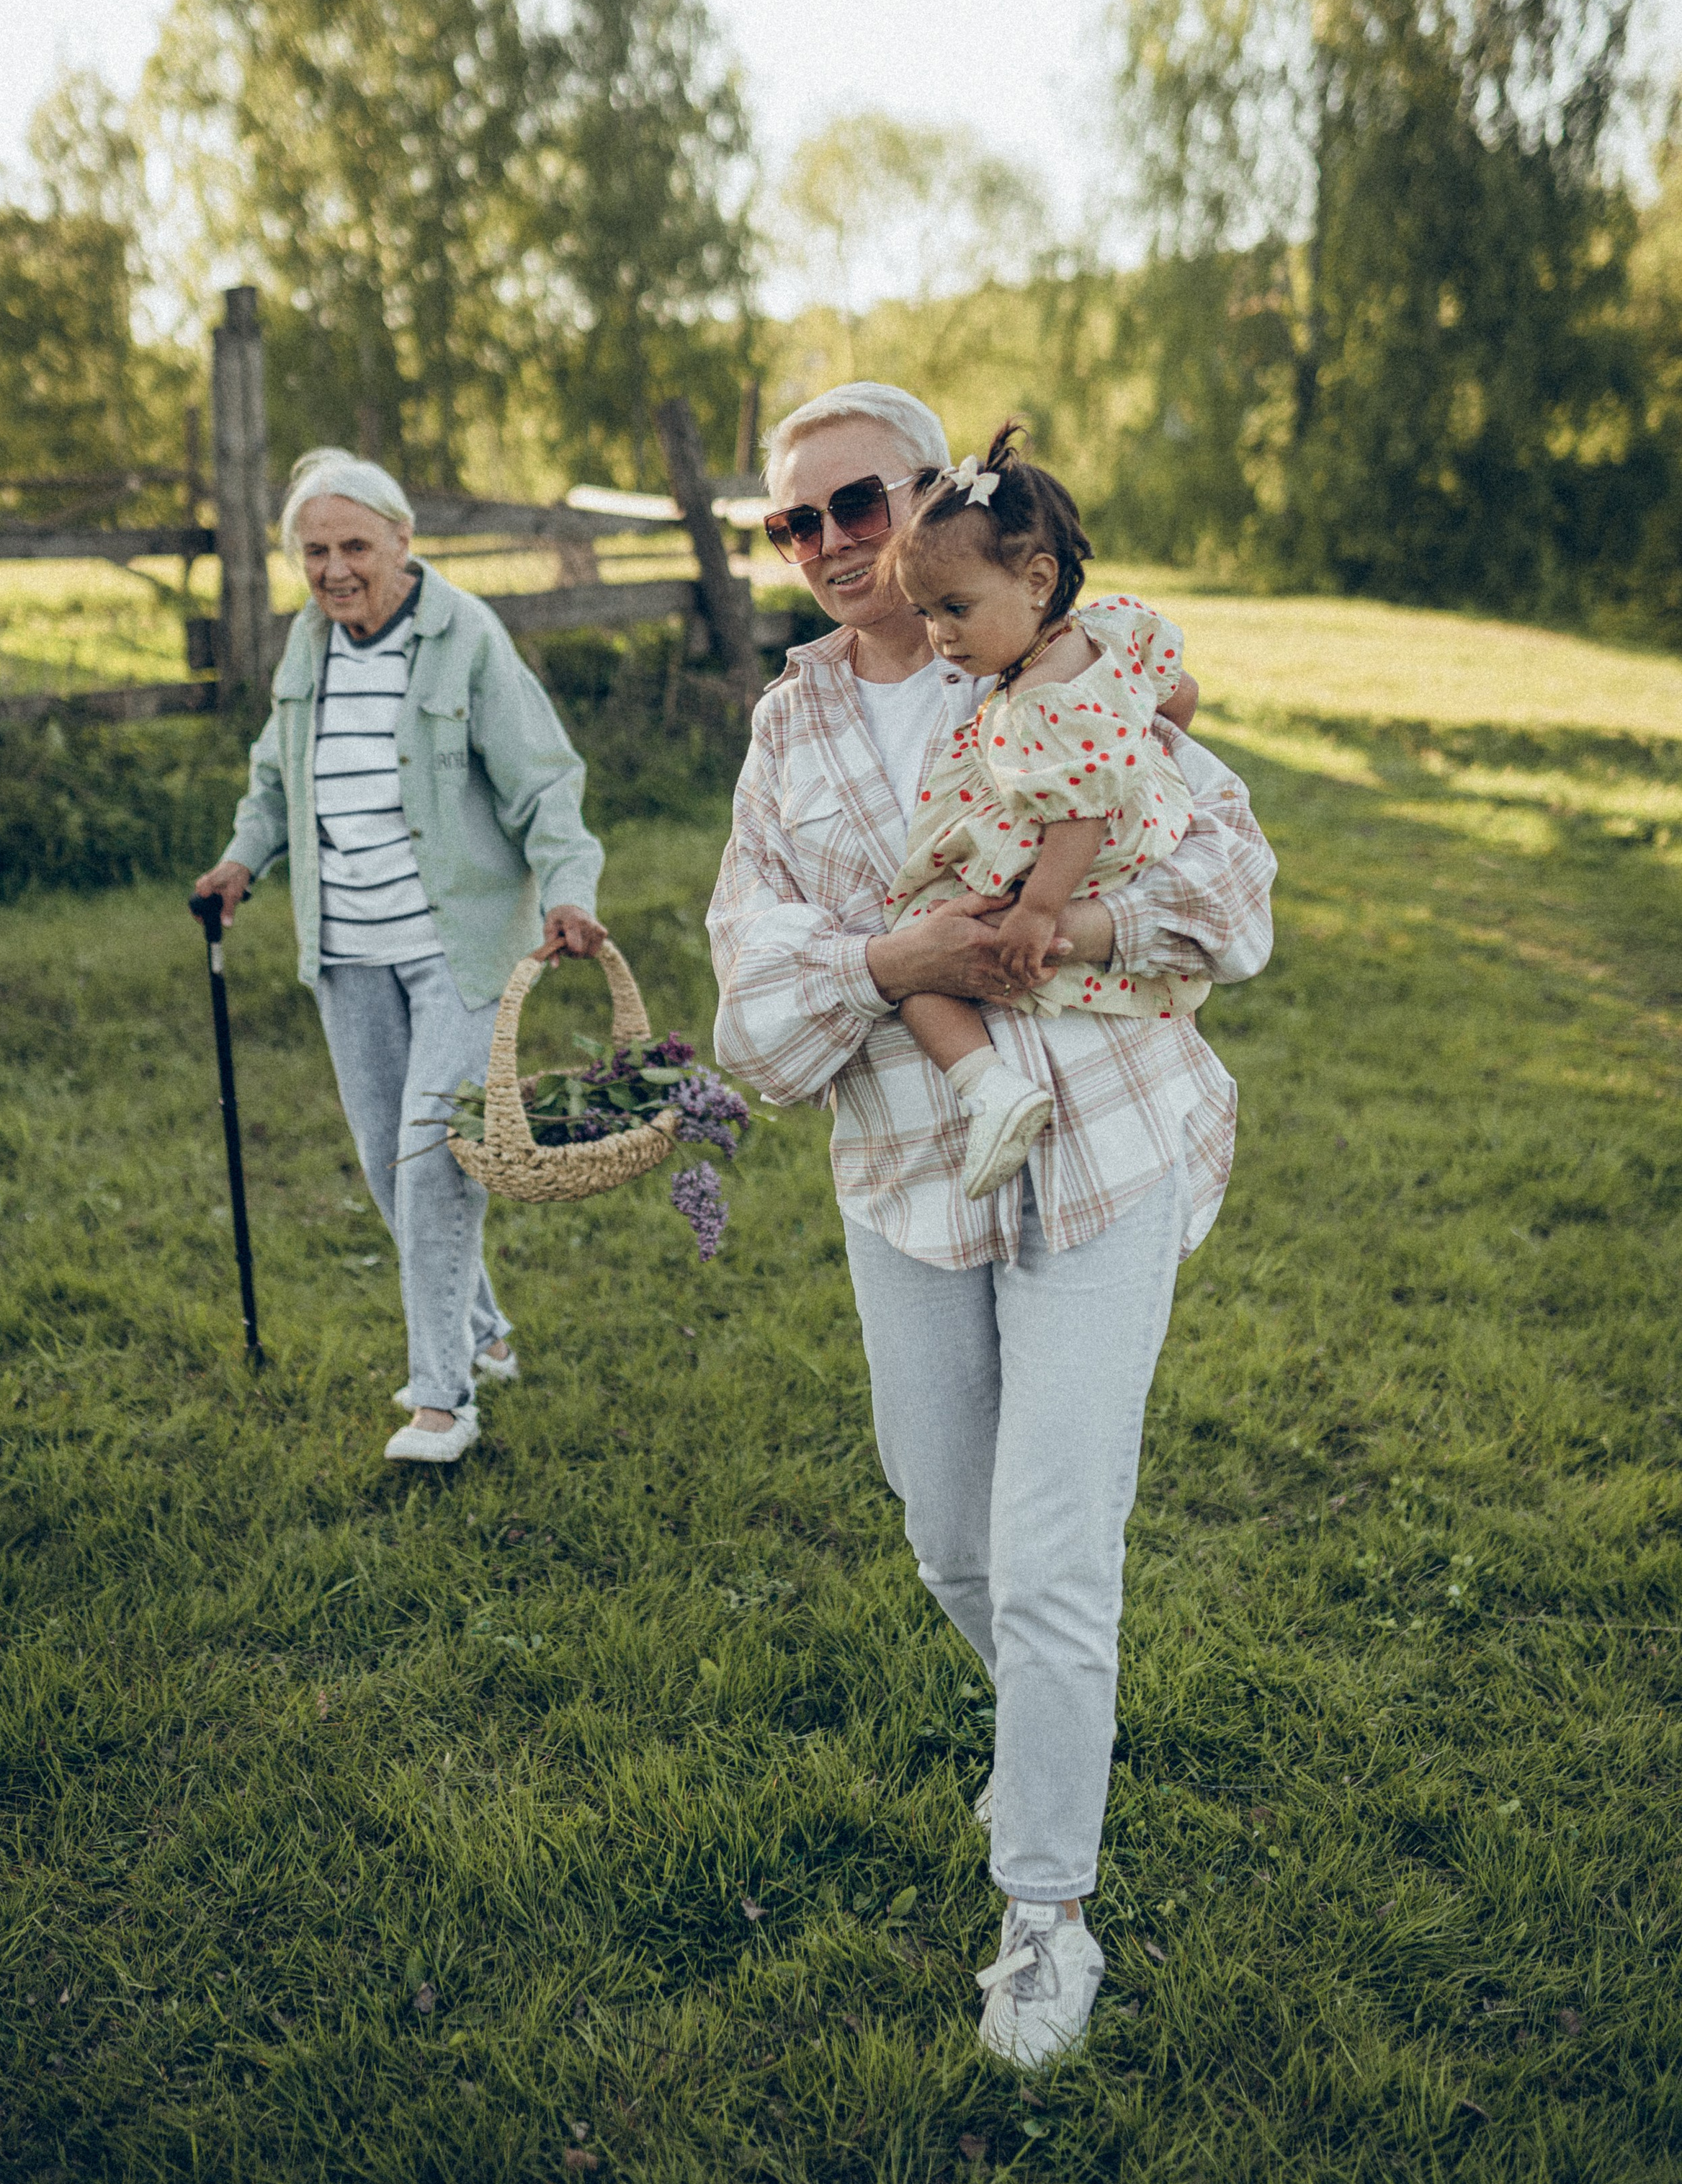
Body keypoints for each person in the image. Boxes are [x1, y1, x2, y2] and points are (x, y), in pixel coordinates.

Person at [707, 383, 1274, 2068]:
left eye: (852, 505)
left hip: (1103, 1149)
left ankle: (1043, 1910)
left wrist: (1060, 920)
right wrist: (896, 966)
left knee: (1045, 1550)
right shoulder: (784, 737)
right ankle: (1050, 1711)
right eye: (788, 524)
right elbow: (754, 1021)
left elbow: (1230, 896)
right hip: (905, 1165)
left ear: (942, 499)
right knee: (949, 1533)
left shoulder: (1089, 669)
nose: (824, 547)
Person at [191, 449, 607, 1466]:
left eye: (355, 547)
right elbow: (271, 775)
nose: (335, 570)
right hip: (346, 949)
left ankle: (441, 1400)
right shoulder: (310, 646)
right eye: (315, 551)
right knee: (391, 1164)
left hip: (455, 946)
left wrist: (568, 890)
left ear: (403, 543)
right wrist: (243, 859)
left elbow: (544, 781)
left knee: (431, 1158)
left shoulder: (465, 636)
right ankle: (486, 1331)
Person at [878, 422, 1207, 1198]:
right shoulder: (1108, 632)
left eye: (955, 607)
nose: (941, 635)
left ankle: (990, 1088)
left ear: (1036, 579)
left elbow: (1080, 813)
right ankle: (1001, 1085)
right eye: (927, 614)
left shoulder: (1040, 699)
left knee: (915, 953)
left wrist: (1036, 910)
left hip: (1060, 863)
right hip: (1118, 828)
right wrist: (1141, 749)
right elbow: (1179, 693)